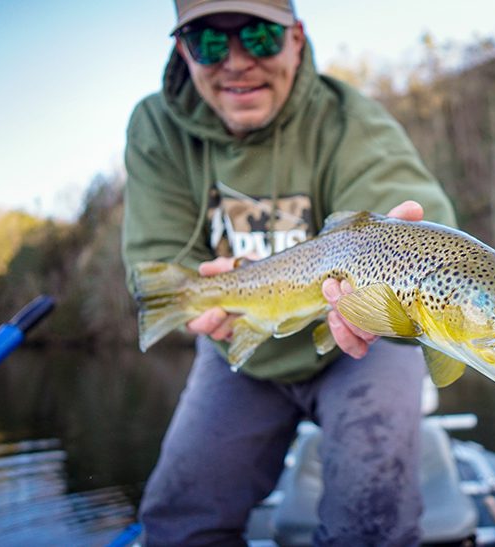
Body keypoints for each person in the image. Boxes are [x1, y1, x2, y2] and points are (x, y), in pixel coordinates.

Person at [121, 1, 456, 545]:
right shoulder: (156, 126)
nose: (235, 62)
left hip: (364, 343)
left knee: (372, 526)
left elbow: (404, 204)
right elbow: (156, 260)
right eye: (209, 43)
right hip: (243, 345)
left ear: (296, 38)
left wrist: (403, 252)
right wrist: (198, 309)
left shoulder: (353, 120)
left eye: (258, 37)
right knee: (179, 522)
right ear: (183, 50)